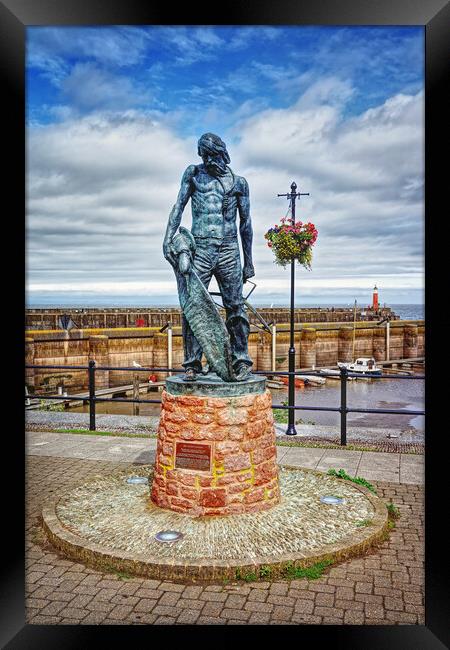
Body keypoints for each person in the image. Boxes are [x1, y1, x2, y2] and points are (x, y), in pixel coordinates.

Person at [163, 132, 255, 382]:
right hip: (200, 248)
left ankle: (241, 360)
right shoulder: (193, 174)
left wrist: (249, 261)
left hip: (229, 249)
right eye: (205, 155)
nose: (209, 160)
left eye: (213, 155)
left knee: (235, 307)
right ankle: (192, 364)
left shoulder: (239, 183)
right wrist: (167, 238)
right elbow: (178, 207)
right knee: (193, 307)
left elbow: (245, 224)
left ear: (223, 154)